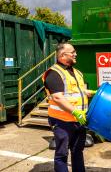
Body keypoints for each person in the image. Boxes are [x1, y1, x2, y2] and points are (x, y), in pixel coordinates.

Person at [42, 42, 96, 172]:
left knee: (78, 152)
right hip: (62, 122)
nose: (76, 54)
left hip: (79, 121)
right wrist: (76, 112)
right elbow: (58, 97)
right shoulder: (53, 73)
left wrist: (92, 93)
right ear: (62, 55)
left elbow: (79, 92)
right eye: (72, 52)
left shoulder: (77, 73)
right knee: (62, 154)